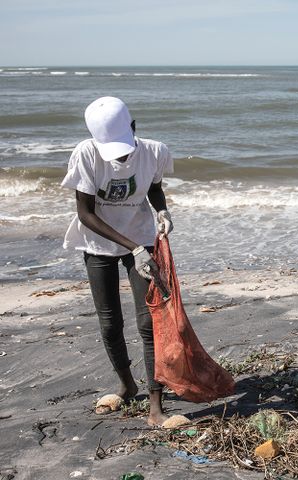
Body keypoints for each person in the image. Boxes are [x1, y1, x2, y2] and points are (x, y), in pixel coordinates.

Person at [61, 96, 174, 426]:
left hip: (140, 237)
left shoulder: (154, 151)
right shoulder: (86, 154)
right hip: (98, 244)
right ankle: (126, 385)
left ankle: (156, 403)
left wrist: (162, 211)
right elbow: (85, 213)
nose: (121, 156)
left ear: (134, 127)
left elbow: (154, 187)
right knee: (110, 322)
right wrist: (133, 248)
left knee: (148, 322)